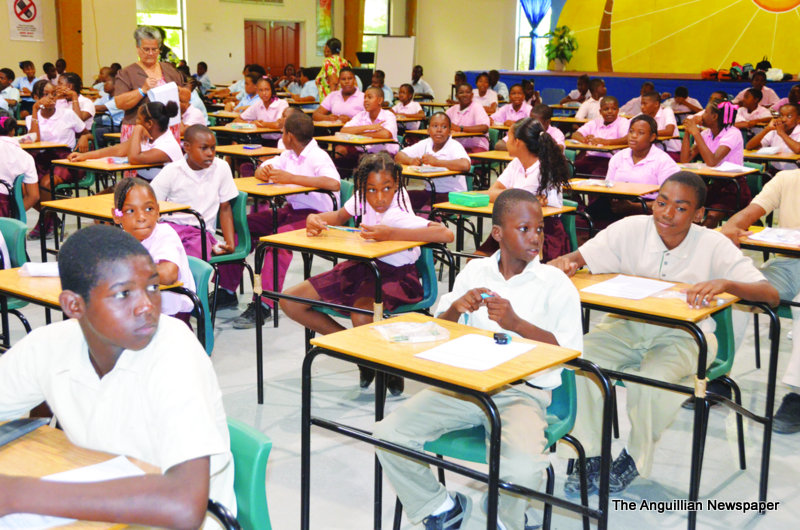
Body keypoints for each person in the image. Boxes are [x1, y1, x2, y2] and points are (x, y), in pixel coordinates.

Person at [550, 172, 778, 496]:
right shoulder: (630, 229)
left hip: (686, 336)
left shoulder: (712, 244)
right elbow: (575, 260)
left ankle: (633, 458)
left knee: (653, 379)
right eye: (661, 203)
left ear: (699, 214)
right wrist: (565, 264)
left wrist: (727, 284)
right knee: (579, 362)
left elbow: (769, 293)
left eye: (681, 208)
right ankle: (592, 454)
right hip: (625, 326)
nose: (667, 214)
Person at [0, 224, 235, 529]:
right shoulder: (48, 346)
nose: (146, 306)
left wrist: (17, 494)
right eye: (123, 294)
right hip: (99, 497)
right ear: (74, 305)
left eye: (152, 287)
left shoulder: (174, 349)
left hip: (189, 517)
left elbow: (183, 505)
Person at [374, 188, 583, 530]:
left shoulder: (556, 284)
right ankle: (439, 506)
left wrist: (515, 324)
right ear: (498, 233)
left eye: (540, 229)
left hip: (522, 394)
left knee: (522, 469)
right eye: (525, 229)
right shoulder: (476, 272)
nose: (536, 238)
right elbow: (442, 331)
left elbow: (568, 355)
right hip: (465, 387)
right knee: (388, 434)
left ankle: (504, 514)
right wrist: (457, 307)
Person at [280, 152, 454, 395]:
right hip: (361, 267)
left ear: (397, 186)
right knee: (290, 301)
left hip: (395, 275)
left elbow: (446, 234)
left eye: (387, 188)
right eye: (372, 189)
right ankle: (362, 355)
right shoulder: (362, 196)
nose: (379, 197)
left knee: (361, 315)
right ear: (363, 187)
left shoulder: (397, 210)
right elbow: (340, 217)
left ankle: (380, 361)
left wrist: (390, 233)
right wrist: (315, 218)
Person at [218, 112, 341, 325]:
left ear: (290, 136)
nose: (280, 134)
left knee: (278, 241)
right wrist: (262, 172)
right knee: (243, 224)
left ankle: (265, 303)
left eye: (283, 131)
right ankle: (227, 290)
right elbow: (263, 168)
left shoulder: (317, 156)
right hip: (292, 210)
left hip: (318, 217)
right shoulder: (289, 154)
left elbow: (334, 183)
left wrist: (292, 178)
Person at [719, 168, 800, 433]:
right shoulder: (787, 179)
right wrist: (732, 226)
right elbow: (751, 212)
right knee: (739, 289)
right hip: (789, 265)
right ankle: (719, 370)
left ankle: (797, 394)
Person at [478, 118, 572, 262]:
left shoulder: (543, 168)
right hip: (513, 228)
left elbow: (518, 202)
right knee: (476, 261)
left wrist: (513, 196)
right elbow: (492, 192)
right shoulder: (516, 163)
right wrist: (515, 195)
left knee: (506, 267)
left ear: (518, 142)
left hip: (543, 234)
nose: (506, 142)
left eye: (508, 138)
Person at [111, 177, 196, 323]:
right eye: (130, 211)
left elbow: (169, 275)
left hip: (171, 320)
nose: (141, 217)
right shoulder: (121, 240)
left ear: (157, 211)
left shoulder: (164, 234)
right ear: (117, 216)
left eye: (149, 209)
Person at [150, 125, 237, 265]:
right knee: (160, 251)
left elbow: (225, 208)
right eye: (204, 148)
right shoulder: (172, 170)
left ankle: (189, 286)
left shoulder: (221, 168)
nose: (210, 153)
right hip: (172, 226)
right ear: (187, 147)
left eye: (213, 148)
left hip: (200, 232)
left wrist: (230, 243)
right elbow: (151, 203)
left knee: (193, 258)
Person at [587, 115, 679, 222]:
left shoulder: (664, 161)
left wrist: (634, 206)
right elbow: (608, 188)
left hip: (646, 207)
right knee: (589, 214)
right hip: (618, 202)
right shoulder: (618, 157)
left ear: (652, 137)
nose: (633, 136)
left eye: (640, 133)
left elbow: (669, 201)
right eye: (631, 131)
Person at [22, 80, 85, 237]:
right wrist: (35, 110)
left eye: (54, 94)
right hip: (40, 157)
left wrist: (84, 138)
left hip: (64, 158)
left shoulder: (67, 114)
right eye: (45, 94)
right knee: (24, 187)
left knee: (46, 183)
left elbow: (84, 132)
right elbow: (34, 139)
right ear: (36, 97)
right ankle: (52, 219)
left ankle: (44, 222)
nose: (50, 98)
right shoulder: (32, 117)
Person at [68, 100, 183, 182]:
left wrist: (137, 130)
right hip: (143, 187)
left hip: (165, 196)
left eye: (138, 119)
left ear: (149, 124)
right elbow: (118, 150)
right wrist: (85, 156)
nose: (136, 122)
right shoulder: (147, 137)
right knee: (103, 198)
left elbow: (134, 159)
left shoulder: (168, 145)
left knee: (115, 203)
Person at [680, 100, 747, 227]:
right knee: (689, 207)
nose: (701, 115)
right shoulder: (706, 134)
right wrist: (688, 132)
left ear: (715, 116)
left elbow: (712, 161)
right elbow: (685, 159)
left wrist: (696, 132)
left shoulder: (733, 133)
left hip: (733, 188)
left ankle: (702, 243)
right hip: (714, 184)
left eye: (705, 112)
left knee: (712, 216)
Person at [114, 26, 184, 144]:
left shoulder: (169, 69)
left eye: (154, 49)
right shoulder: (126, 73)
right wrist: (142, 90)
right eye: (146, 49)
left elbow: (186, 97)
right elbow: (119, 103)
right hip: (139, 129)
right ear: (138, 48)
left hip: (169, 127)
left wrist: (178, 91)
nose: (151, 53)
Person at [396, 112, 471, 212]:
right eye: (435, 126)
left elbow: (465, 165)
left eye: (444, 127)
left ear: (450, 131)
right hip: (429, 191)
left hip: (452, 194)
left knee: (427, 212)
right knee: (399, 199)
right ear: (428, 130)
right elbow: (398, 156)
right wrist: (410, 160)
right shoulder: (426, 143)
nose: (439, 130)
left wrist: (437, 162)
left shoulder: (454, 145)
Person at [571, 95, 630, 176]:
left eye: (614, 109)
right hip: (590, 159)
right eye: (606, 109)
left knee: (597, 176)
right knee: (569, 170)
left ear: (618, 111)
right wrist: (585, 140)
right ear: (600, 111)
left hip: (611, 160)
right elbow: (575, 135)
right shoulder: (595, 122)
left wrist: (606, 142)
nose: (610, 111)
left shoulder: (623, 122)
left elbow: (627, 139)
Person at [0, 111, 39, 217]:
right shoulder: (25, 157)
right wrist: (14, 215)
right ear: (13, 131)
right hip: (3, 209)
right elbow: (34, 196)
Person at [340, 86, 399, 155]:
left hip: (384, 155)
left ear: (380, 100)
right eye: (364, 97)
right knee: (340, 151)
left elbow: (386, 134)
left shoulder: (388, 115)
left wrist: (361, 135)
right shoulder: (361, 115)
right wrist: (367, 127)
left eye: (369, 97)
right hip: (363, 153)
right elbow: (343, 131)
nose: (365, 100)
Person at [745, 103, 800, 171]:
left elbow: (798, 149)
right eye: (781, 115)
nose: (783, 119)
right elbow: (749, 146)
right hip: (775, 171)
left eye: (789, 116)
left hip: (796, 173)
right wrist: (767, 129)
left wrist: (782, 133)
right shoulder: (774, 131)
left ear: (798, 119)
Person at [235, 76, 288, 144]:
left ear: (272, 90)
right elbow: (237, 120)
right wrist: (251, 123)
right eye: (261, 90)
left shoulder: (281, 104)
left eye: (267, 89)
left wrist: (261, 124)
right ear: (257, 91)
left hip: (279, 142)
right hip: (261, 142)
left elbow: (279, 124)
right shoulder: (258, 105)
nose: (264, 93)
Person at [496, 104, 565, 151]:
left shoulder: (556, 133)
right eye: (530, 120)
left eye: (537, 122)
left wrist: (532, 149)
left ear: (547, 122)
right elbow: (499, 145)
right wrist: (524, 150)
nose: (532, 124)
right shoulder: (524, 130)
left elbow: (559, 148)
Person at [446, 83, 491, 153]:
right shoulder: (452, 110)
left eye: (468, 92)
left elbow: (484, 128)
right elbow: (442, 122)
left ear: (472, 95)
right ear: (456, 96)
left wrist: (460, 128)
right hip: (457, 147)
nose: (465, 95)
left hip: (476, 147)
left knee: (459, 161)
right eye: (461, 93)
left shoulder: (477, 107)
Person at [57, 72, 96, 152]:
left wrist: (74, 97)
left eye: (60, 84)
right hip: (60, 136)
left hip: (80, 137)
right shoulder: (59, 101)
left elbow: (78, 121)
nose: (57, 87)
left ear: (70, 86)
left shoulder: (86, 102)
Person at [638, 91, 680, 159]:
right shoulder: (642, 115)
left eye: (645, 104)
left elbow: (669, 131)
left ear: (656, 104)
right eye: (641, 104)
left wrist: (646, 133)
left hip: (670, 152)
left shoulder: (666, 111)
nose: (642, 107)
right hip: (653, 153)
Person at [93, 75, 125, 148]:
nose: (104, 85)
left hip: (116, 126)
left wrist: (87, 107)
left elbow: (102, 108)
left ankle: (100, 150)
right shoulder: (106, 97)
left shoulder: (119, 98)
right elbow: (93, 105)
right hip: (105, 122)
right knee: (89, 126)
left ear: (115, 86)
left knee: (96, 132)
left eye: (107, 83)